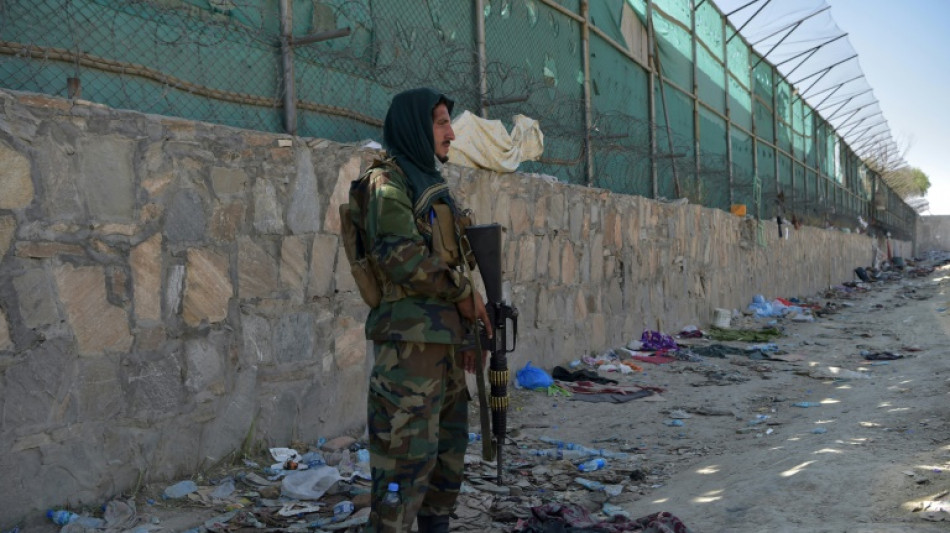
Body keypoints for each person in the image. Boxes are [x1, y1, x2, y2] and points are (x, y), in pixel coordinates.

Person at [362, 87, 492, 533]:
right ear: (416, 126)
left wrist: (469, 329)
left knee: (446, 461)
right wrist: (462, 295)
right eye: (440, 122)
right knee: (404, 466)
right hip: (409, 351)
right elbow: (402, 259)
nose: (451, 134)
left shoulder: (429, 184)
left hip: (445, 346)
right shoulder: (387, 184)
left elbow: (455, 261)